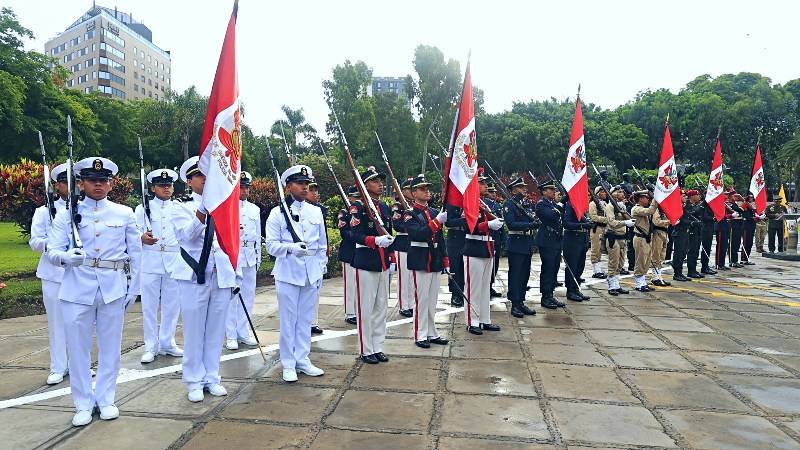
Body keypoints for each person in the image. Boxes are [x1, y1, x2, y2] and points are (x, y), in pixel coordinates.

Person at [47, 157, 141, 427]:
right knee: (78, 349)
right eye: (92, 180)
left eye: (103, 180)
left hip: (112, 287)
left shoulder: (124, 213)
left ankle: (106, 398)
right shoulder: (67, 214)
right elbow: (51, 251)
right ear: (81, 183)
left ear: (110, 183)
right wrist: (66, 257)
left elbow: (135, 253)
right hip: (77, 288)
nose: (98, 185)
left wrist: (134, 287)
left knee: (111, 347)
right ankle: (83, 403)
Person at [172, 156, 236, 402]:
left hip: (220, 274)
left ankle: (212, 377)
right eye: (200, 175)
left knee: (215, 330)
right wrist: (203, 210)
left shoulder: (225, 205)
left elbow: (230, 242)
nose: (206, 178)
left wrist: (234, 274)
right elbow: (186, 237)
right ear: (190, 181)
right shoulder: (181, 206)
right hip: (193, 275)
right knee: (195, 330)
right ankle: (194, 380)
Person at [265, 165, 327, 382]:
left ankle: (303, 359)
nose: (304, 187)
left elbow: (321, 245)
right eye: (300, 183)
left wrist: (321, 268)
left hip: (311, 273)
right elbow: (271, 247)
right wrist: (290, 248)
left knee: (305, 320)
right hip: (288, 273)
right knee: (289, 320)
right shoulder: (277, 213)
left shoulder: (316, 211)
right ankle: (288, 363)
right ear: (288, 186)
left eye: (306, 183)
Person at [135, 168, 183, 363]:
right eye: (162, 185)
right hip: (151, 260)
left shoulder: (179, 207)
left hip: (173, 261)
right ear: (153, 188)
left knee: (172, 305)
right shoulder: (142, 208)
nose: (166, 188)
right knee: (149, 306)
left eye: (169, 185)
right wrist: (141, 237)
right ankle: (150, 345)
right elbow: (134, 232)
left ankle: (167, 342)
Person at [348, 167, 395, 364]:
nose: (380, 184)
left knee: (381, 307)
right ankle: (366, 349)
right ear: (365, 185)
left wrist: (391, 256)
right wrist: (374, 241)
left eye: (381, 182)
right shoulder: (358, 207)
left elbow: (389, 233)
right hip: (366, 260)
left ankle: (378, 346)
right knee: (366, 308)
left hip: (382, 262)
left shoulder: (383, 207)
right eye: (375, 181)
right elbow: (353, 234)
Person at [29, 163, 70, 385]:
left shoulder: (82, 210)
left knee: (78, 323)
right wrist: (54, 244)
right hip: (53, 274)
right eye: (64, 182)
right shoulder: (44, 211)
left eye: (72, 181)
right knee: (56, 322)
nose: (69, 186)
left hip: (77, 274)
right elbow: (34, 242)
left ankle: (77, 364)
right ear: (56, 185)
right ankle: (58, 366)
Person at [403, 175, 450, 347]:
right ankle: (420, 334)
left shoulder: (433, 212)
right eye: (422, 189)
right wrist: (437, 222)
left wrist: (445, 260)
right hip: (420, 259)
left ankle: (432, 332)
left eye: (428, 188)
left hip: (435, 259)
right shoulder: (409, 214)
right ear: (413, 192)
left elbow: (441, 239)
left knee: (432, 300)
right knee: (421, 300)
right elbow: (418, 234)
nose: (427, 191)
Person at [461, 173, 504, 334]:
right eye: (482, 183)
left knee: (486, 287)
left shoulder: (484, 203)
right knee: (473, 289)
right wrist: (488, 224)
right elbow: (468, 227)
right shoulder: (468, 203)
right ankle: (472, 321)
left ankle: (485, 319)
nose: (486, 185)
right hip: (474, 249)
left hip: (487, 249)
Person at [225, 171, 262, 350]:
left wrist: (258, 258)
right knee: (232, 296)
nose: (245, 190)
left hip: (249, 256)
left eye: (247, 187)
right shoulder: (227, 207)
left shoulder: (254, 209)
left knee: (248, 296)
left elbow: (258, 236)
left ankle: (243, 331)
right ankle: (231, 334)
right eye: (242, 187)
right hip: (234, 254)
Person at [504, 177, 538, 317]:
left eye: (524, 186)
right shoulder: (509, 204)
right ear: (513, 190)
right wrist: (529, 225)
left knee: (524, 275)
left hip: (527, 243)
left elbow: (532, 217)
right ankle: (515, 304)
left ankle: (521, 301)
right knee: (516, 275)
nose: (524, 188)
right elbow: (511, 224)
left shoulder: (525, 204)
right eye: (520, 187)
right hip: (516, 243)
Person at [535, 181, 565, 309]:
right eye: (550, 189)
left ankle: (550, 294)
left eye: (553, 189)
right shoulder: (541, 205)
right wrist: (560, 203)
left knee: (554, 268)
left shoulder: (551, 204)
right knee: (548, 268)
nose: (553, 191)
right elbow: (552, 216)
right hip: (547, 240)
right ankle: (545, 296)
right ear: (544, 192)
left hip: (555, 239)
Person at [604, 186, 634, 295]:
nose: (623, 194)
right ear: (614, 194)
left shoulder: (621, 206)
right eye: (620, 192)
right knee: (613, 262)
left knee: (620, 263)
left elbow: (628, 218)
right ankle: (611, 286)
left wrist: (625, 214)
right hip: (613, 237)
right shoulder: (610, 206)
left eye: (622, 192)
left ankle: (616, 285)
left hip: (622, 237)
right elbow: (611, 222)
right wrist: (625, 223)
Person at [336, 186, 360, 326]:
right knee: (350, 284)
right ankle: (350, 312)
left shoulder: (360, 212)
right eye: (355, 197)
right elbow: (344, 233)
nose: (357, 200)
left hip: (360, 253)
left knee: (359, 285)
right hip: (349, 252)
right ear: (349, 198)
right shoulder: (344, 213)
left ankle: (358, 310)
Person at [307, 179, 328, 335]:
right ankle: (305, 322)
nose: (316, 193)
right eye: (312, 190)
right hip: (303, 257)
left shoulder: (320, 210)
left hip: (317, 257)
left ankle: (313, 321)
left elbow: (323, 236)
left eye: (316, 190)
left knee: (316, 291)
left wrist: (324, 255)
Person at [562, 193, 592, 301]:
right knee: (572, 266)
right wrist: (582, 225)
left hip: (581, 237)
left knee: (580, 265)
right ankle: (570, 291)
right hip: (572, 238)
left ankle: (576, 289)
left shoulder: (580, 206)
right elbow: (566, 223)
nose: (587, 196)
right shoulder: (570, 205)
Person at [392, 178, 414, 318]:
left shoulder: (414, 206)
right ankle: (403, 305)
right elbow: (397, 225)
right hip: (402, 242)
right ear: (404, 191)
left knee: (412, 277)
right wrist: (412, 228)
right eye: (410, 189)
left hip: (413, 243)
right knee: (404, 277)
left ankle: (411, 304)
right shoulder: (398, 206)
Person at [630, 191, 659, 292]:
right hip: (640, 238)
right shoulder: (636, 209)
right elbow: (651, 211)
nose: (647, 199)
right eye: (645, 198)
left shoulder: (642, 208)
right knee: (641, 261)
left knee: (646, 261)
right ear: (640, 199)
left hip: (646, 238)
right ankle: (638, 284)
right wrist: (656, 198)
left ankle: (643, 282)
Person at [444, 199, 466, 307]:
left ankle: (464, 292)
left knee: (465, 267)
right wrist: (463, 220)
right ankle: (456, 294)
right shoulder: (452, 203)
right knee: (455, 267)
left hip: (467, 237)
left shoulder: (469, 200)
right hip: (455, 237)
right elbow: (448, 222)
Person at [484, 185, 505, 297]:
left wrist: (502, 239)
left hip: (496, 237)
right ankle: (485, 286)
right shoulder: (485, 203)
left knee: (495, 264)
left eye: (494, 192)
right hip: (489, 236)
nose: (493, 194)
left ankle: (490, 285)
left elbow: (501, 223)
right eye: (491, 192)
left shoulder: (496, 204)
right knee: (488, 264)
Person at [588, 187, 608, 279]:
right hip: (597, 228)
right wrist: (607, 220)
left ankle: (599, 269)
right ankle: (596, 270)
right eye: (603, 192)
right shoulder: (592, 204)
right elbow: (593, 217)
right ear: (598, 193)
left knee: (601, 249)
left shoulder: (605, 203)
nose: (605, 193)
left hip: (604, 228)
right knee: (596, 249)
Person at [684, 190, 705, 278]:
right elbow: (695, 212)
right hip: (691, 231)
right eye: (697, 195)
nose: (699, 196)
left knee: (696, 251)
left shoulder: (695, 205)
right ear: (692, 196)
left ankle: (694, 270)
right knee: (692, 251)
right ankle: (690, 271)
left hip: (697, 230)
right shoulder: (688, 205)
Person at [650, 207, 671, 286]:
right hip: (657, 233)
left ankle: (659, 277)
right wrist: (669, 221)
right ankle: (655, 277)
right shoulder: (656, 209)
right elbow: (656, 222)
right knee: (656, 256)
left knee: (662, 257)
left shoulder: (663, 209)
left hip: (664, 232)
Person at [699, 192, 718, 275]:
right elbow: (704, 217)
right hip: (705, 229)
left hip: (709, 228)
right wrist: (713, 218)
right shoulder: (704, 205)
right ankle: (704, 267)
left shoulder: (710, 204)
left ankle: (706, 266)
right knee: (705, 248)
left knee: (708, 248)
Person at [715, 191, 734, 270]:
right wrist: (730, 215)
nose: (727, 195)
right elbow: (719, 215)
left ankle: (722, 263)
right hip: (720, 226)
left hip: (725, 226)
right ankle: (718, 264)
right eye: (725, 194)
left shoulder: (724, 203)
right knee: (720, 246)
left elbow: (731, 211)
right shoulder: (718, 203)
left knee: (724, 246)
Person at [728, 193, 746, 268]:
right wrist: (743, 201)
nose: (736, 197)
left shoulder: (735, 203)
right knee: (733, 243)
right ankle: (733, 261)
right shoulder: (730, 204)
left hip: (738, 224)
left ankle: (735, 260)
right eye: (734, 196)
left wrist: (742, 200)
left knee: (737, 242)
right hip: (733, 224)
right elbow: (740, 210)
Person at [741, 193, 756, 264]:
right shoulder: (745, 205)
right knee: (746, 243)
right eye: (750, 197)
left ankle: (747, 258)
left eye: (752, 198)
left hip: (752, 225)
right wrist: (756, 217)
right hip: (746, 226)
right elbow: (746, 216)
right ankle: (743, 259)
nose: (751, 199)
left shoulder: (751, 205)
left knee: (750, 243)